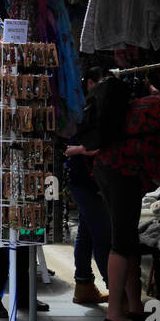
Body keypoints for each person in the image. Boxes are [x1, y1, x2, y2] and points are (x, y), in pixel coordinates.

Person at [74, 74, 160, 321]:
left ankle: (134, 308)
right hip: (122, 175)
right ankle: (115, 313)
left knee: (127, 243)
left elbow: (148, 159)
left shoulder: (142, 105)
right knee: (121, 243)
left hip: (108, 170)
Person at [63, 67, 113, 306]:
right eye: (102, 81)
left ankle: (84, 285)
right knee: (102, 234)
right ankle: (115, 291)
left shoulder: (87, 107)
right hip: (83, 178)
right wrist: (86, 148)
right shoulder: (84, 109)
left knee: (87, 231)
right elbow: (68, 145)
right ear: (91, 82)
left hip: (83, 178)